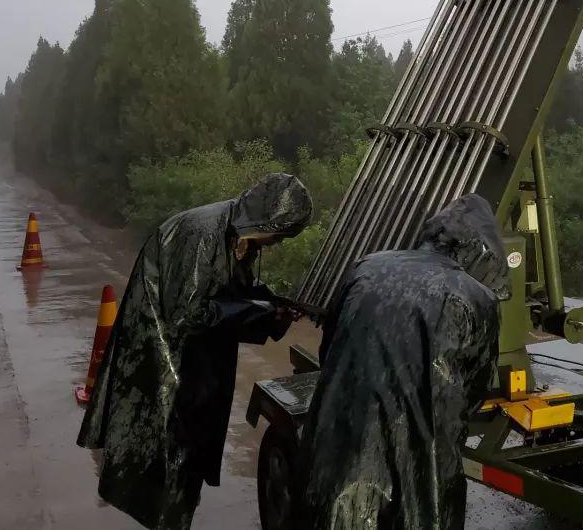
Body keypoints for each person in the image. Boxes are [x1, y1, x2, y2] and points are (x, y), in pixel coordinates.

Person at [78, 172, 312, 530]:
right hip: (165, 353)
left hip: (194, 356)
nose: (276, 242)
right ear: (265, 218)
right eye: (278, 233)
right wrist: (261, 310)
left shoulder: (236, 233)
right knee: (168, 452)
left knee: (188, 452)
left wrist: (272, 310)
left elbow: (231, 295)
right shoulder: (203, 234)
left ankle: (176, 517)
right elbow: (189, 312)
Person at [299, 193, 508, 530]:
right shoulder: (475, 297)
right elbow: (475, 389)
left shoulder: (367, 266)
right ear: (479, 249)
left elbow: (330, 351)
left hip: (339, 441)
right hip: (422, 456)